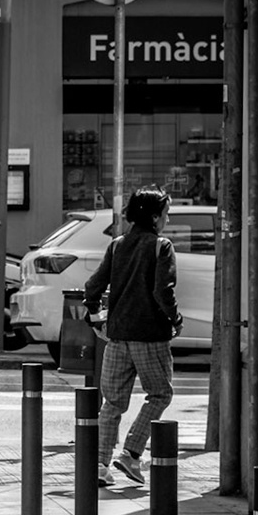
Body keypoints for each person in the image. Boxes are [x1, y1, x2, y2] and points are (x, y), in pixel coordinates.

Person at [83, 186, 181, 486]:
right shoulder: (161, 246)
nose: (167, 220)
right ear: (154, 217)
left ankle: (99, 466)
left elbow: (92, 287)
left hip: (117, 335)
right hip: (150, 336)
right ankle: (131, 453)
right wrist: (175, 319)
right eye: (165, 214)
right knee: (160, 394)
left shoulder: (117, 246)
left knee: (112, 403)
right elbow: (163, 292)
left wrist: (96, 318)